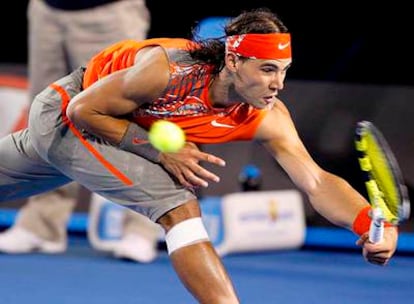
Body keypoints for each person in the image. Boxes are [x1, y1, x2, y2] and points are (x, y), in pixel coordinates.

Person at [0, 7, 398, 303]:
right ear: (233, 60)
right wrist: (159, 150)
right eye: (266, 69)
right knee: (179, 206)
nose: (278, 83)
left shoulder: (268, 114)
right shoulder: (166, 70)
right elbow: (83, 111)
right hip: (67, 114)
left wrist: (364, 222)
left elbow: (315, 181)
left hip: (100, 135)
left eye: (284, 70)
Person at [0, 0, 160, 263]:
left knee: (126, 116)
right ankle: (42, 226)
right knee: (46, 117)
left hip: (109, 14)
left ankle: (141, 228)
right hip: (47, 11)